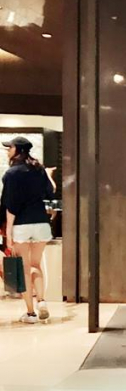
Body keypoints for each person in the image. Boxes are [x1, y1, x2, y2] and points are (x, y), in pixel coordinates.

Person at [1, 136, 54, 323]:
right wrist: (48, 174)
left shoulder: (11, 174)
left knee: (23, 269)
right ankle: (42, 301)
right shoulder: (38, 169)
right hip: (41, 223)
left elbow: (10, 205)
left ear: (18, 150)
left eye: (10, 148)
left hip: (21, 226)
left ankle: (31, 313)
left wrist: (8, 233)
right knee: (36, 265)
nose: (7, 151)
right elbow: (50, 191)